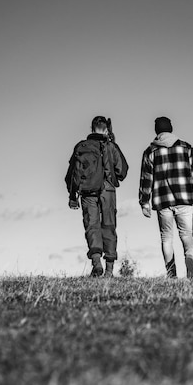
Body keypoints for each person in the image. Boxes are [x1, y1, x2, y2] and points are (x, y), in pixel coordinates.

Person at [139, 117, 193, 280]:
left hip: (162, 201)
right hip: (184, 198)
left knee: (166, 238)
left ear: (156, 131)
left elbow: (146, 179)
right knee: (186, 234)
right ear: (171, 129)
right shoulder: (186, 147)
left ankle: (171, 274)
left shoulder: (150, 151)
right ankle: (189, 260)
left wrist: (144, 202)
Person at [66, 116, 128, 277]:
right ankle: (108, 270)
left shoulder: (81, 146)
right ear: (106, 129)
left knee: (91, 226)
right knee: (108, 226)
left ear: (91, 128)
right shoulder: (110, 146)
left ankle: (96, 263)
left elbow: (71, 174)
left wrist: (73, 196)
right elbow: (122, 171)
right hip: (107, 190)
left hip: (87, 192)